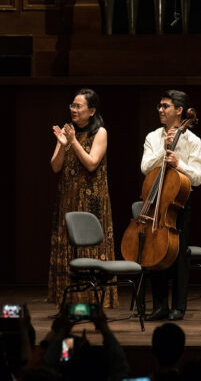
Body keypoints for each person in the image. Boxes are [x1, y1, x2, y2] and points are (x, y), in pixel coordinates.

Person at [48, 88, 118, 307]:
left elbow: (91, 163)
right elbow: (55, 166)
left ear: (92, 110)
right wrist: (62, 144)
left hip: (92, 201)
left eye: (78, 106)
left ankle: (92, 299)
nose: (73, 110)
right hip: (68, 198)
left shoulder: (100, 132)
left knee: (91, 246)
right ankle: (68, 298)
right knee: (68, 244)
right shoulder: (67, 132)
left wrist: (73, 142)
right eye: (72, 105)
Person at [141, 90, 201, 321]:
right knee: (156, 252)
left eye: (165, 106)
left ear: (180, 111)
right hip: (157, 202)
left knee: (178, 254)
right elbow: (146, 168)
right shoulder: (152, 137)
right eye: (159, 106)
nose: (160, 109)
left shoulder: (194, 142)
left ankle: (179, 306)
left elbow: (197, 177)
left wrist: (179, 164)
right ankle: (159, 305)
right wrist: (162, 150)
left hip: (180, 203)